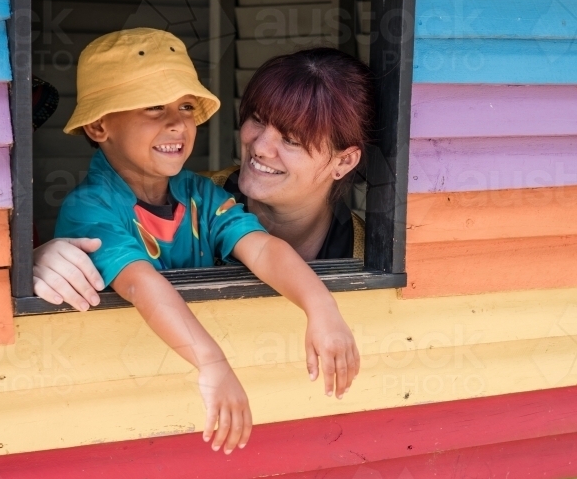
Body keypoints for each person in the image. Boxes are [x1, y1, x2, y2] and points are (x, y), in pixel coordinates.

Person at [52, 28, 359, 455]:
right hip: (124, 416)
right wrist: (212, 361)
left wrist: (321, 306)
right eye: (154, 107)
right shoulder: (90, 209)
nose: (177, 122)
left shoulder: (201, 195)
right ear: (100, 125)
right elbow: (142, 284)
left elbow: (264, 247)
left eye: (185, 106)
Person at [34, 46, 372, 301]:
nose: (260, 147)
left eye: (291, 139)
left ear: (344, 162)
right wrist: (42, 262)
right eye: (257, 119)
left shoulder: (371, 254)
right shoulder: (192, 199)